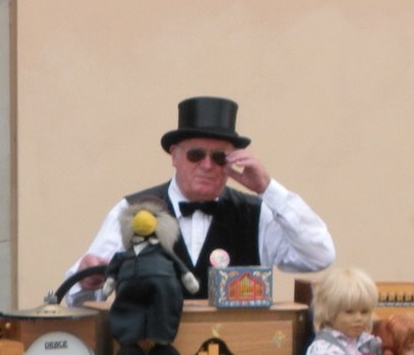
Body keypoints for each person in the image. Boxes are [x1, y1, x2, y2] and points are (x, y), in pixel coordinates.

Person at [64, 96, 334, 303]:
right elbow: (76, 297)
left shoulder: (256, 214)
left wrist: (268, 189)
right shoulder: (132, 211)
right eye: (196, 155)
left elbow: (319, 255)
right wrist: (90, 281)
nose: (207, 165)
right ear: (175, 156)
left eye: (219, 158)